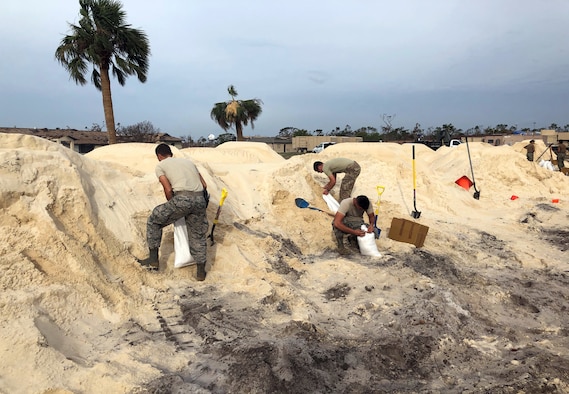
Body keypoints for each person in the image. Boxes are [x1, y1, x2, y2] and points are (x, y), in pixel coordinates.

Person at [138, 144, 209, 281]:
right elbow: (204, 185)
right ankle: (200, 272)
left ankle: (153, 260)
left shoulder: (160, 165)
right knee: (197, 234)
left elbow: (168, 189)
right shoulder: (189, 163)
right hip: (200, 199)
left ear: (159, 156)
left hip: (182, 199)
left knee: (154, 220)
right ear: (170, 153)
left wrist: (174, 204)